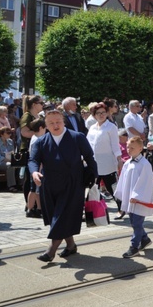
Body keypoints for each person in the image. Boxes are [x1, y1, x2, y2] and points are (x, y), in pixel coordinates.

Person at [29, 110, 99, 262]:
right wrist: (34, 173)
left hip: (73, 184)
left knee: (61, 217)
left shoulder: (77, 137)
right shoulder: (41, 142)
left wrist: (94, 177)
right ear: (46, 125)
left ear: (64, 121)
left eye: (58, 122)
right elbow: (33, 160)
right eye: (51, 123)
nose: (55, 125)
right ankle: (71, 245)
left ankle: (51, 251)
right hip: (49, 186)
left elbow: (89, 157)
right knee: (57, 216)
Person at [114, 136, 153, 258]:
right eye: (127, 147)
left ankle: (134, 246)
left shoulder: (144, 164)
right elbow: (123, 180)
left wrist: (137, 195)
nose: (129, 149)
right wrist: (121, 193)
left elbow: (145, 181)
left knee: (137, 223)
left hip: (138, 200)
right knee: (133, 221)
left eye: (132, 147)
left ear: (140, 148)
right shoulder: (128, 162)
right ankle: (145, 239)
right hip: (130, 199)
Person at [86, 102, 123, 212]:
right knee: (93, 188)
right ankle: (94, 210)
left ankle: (122, 207)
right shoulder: (92, 127)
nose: (101, 115)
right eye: (98, 113)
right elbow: (89, 144)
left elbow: (115, 145)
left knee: (112, 188)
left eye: (103, 112)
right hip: (94, 163)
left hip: (107, 164)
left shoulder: (111, 127)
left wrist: (119, 159)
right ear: (94, 115)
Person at [0, 127, 17, 191]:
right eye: (8, 133)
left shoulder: (10, 141)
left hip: (9, 160)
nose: (10, 134)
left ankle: (21, 184)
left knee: (21, 165)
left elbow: (12, 153)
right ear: (2, 134)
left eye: (10, 133)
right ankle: (11, 186)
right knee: (9, 165)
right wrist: (9, 160)